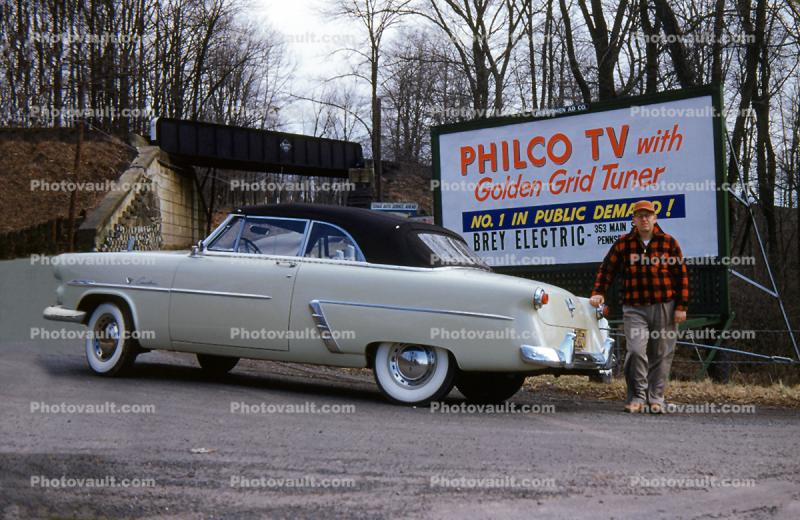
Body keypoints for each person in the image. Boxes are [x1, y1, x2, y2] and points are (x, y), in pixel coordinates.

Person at [589, 200, 688, 414]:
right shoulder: (624, 243)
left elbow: (681, 276)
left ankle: (656, 398)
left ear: (655, 218)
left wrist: (681, 306)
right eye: (639, 215)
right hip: (634, 308)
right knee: (635, 351)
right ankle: (637, 396)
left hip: (665, 306)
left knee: (661, 354)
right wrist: (599, 292)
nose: (644, 219)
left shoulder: (669, 242)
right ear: (633, 220)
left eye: (648, 215)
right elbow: (607, 269)